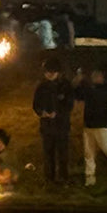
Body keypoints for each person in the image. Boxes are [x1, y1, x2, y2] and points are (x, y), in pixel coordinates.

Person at [32, 57, 74, 185]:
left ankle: (63, 177)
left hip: (61, 126)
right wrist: (42, 112)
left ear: (58, 72)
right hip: (47, 126)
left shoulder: (65, 85)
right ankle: (49, 179)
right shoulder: (41, 87)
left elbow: (69, 104)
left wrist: (58, 113)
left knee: (62, 154)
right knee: (48, 154)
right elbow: (35, 104)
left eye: (52, 72)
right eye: (47, 72)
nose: (49, 75)